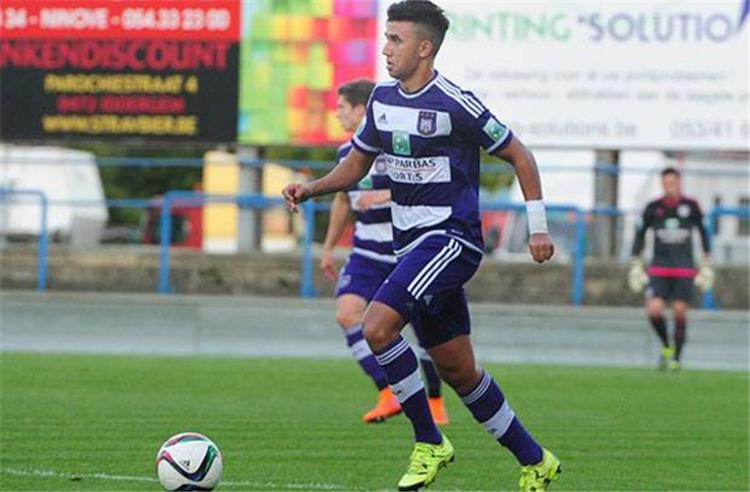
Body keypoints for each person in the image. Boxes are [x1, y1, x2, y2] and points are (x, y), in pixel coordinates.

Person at [283, 1, 560, 490]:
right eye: (386, 38)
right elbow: (356, 166)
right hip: (410, 248)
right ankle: (536, 460)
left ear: (425, 48)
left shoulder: (456, 104)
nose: (386, 49)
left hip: (452, 239)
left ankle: (429, 441)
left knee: (376, 326)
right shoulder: (383, 100)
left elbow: (520, 154)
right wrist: (311, 189)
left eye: (396, 40)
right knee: (459, 370)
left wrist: (538, 227)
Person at [322, 79, 449, 425]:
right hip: (365, 253)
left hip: (405, 253)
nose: (337, 114)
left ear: (361, 110)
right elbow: (342, 200)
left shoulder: (397, 147)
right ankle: (387, 392)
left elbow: (426, 185)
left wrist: (386, 195)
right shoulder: (345, 154)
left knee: (426, 331)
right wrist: (329, 247)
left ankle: (435, 400)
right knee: (347, 314)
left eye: (342, 108)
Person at [628, 167, 713, 371]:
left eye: (673, 183)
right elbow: (640, 233)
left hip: (683, 268)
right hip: (659, 268)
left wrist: (706, 261)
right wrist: (636, 261)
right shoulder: (653, 207)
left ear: (679, 183)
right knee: (654, 309)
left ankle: (676, 358)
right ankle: (666, 345)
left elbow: (703, 231)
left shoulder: (690, 206)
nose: (669, 187)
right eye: (666, 183)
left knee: (680, 311)